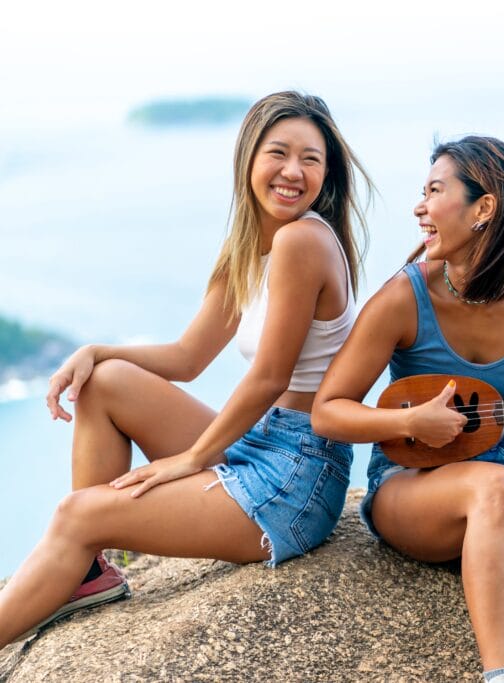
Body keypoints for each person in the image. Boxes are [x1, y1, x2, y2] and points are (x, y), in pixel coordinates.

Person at [0, 91, 370, 648]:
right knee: (105, 383)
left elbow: (270, 376)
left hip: (297, 477)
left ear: (326, 172)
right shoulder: (252, 245)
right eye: (278, 153)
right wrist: (97, 351)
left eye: (310, 159)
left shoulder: (304, 241)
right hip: (261, 442)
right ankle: (87, 572)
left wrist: (190, 461)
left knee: (77, 514)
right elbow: (186, 359)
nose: (293, 171)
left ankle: (85, 542)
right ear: (249, 158)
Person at [312, 136, 504, 683]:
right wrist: (408, 421)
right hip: (413, 483)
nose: (419, 207)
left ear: (484, 208)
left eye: (434, 191)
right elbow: (328, 411)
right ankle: (501, 677)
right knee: (492, 487)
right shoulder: (405, 298)